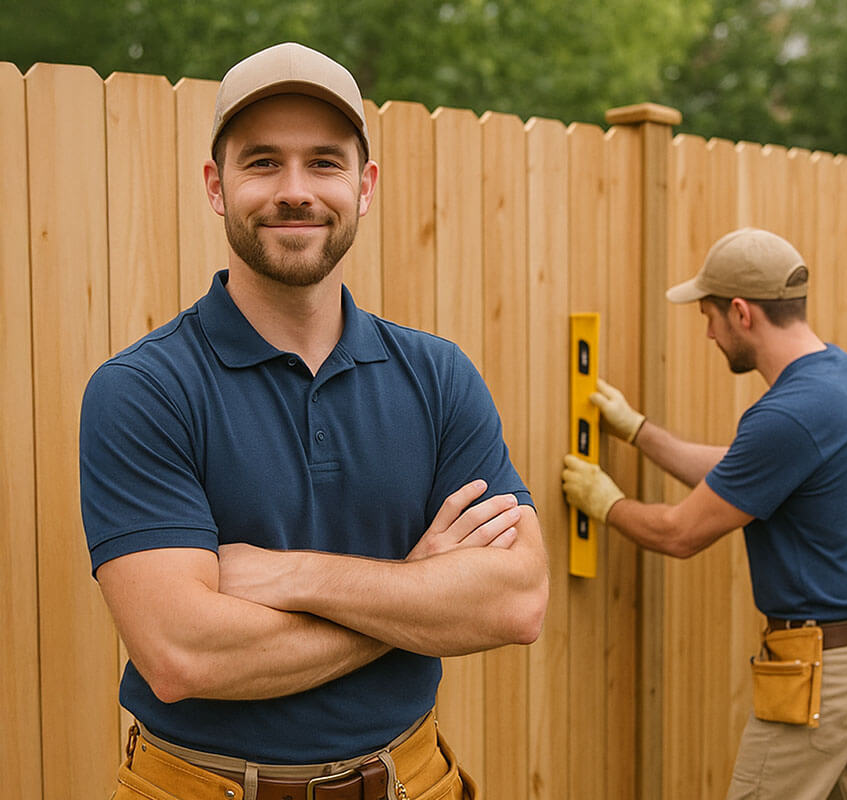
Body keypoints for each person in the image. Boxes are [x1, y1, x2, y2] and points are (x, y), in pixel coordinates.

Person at [79, 42, 547, 800]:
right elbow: (182, 656)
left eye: (324, 163)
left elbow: (516, 600)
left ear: (363, 186)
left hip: (414, 781)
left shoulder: (437, 375)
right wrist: (420, 590)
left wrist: (290, 573)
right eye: (262, 162)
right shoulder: (143, 390)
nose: (294, 190)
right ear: (216, 185)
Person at [562, 228, 847, 800]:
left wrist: (607, 503)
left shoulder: (789, 413)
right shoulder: (845, 377)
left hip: (826, 671)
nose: (707, 332)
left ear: (743, 313)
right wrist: (638, 430)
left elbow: (680, 533)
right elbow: (743, 471)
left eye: (709, 316)